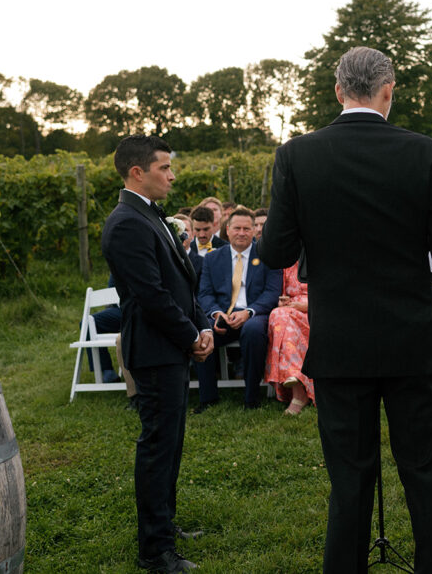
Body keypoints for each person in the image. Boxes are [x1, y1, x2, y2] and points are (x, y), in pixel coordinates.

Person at [257, 46, 432, 573]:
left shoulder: (297, 155)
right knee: (426, 474)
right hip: (410, 340)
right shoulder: (423, 152)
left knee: (349, 479)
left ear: (337, 91)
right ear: (388, 90)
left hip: (340, 343)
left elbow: (278, 252)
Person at [101, 135, 213, 573]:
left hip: (170, 346)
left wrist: (202, 326)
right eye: (164, 167)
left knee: (171, 444)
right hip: (153, 350)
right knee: (157, 446)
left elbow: (180, 284)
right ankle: (154, 550)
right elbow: (151, 295)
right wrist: (190, 337)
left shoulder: (148, 215)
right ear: (137, 172)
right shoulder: (127, 222)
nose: (171, 174)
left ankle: (164, 524)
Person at [195, 206, 281, 412]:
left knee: (252, 330)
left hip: (254, 314)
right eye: (237, 228)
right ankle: (208, 398)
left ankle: (251, 397)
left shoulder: (268, 256)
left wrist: (248, 312)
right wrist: (216, 313)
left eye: (246, 228)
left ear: (254, 230)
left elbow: (272, 293)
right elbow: (205, 294)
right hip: (222, 314)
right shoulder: (213, 258)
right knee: (202, 332)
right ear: (227, 229)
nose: (242, 233)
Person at [265, 262, 314, 414]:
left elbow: (333, 293)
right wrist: (283, 301)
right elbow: (280, 292)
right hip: (291, 311)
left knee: (284, 320)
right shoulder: (287, 263)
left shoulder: (323, 259)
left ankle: (296, 383)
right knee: (278, 314)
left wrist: (306, 306)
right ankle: (295, 380)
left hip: (317, 311)